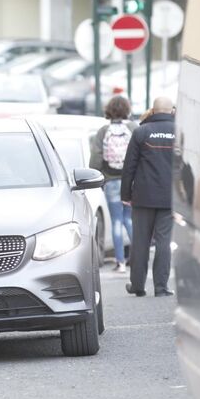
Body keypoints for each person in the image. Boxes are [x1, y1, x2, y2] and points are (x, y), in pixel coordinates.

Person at [121, 97, 176, 297]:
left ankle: (138, 285)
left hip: (143, 196)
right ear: (172, 111)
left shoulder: (141, 132)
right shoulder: (180, 133)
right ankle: (161, 287)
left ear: (153, 110)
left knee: (140, 241)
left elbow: (129, 167)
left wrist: (126, 194)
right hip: (170, 197)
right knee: (164, 241)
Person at [90, 95, 137, 273]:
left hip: (110, 181)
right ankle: (138, 258)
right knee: (129, 219)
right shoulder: (133, 128)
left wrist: (97, 176)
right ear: (127, 109)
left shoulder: (103, 131)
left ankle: (121, 263)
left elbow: (96, 158)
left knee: (116, 220)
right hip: (131, 181)